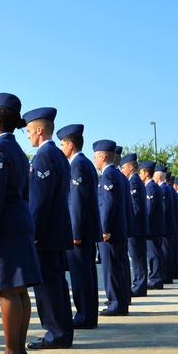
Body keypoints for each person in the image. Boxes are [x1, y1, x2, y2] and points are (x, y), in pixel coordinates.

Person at [0, 93, 42, 354]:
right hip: (20, 222)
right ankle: (19, 351)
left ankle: (11, 352)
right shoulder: (17, 149)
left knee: (7, 291)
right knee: (19, 290)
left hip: (4, 227)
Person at [23, 107, 75, 350]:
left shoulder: (44, 156)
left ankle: (56, 334)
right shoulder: (58, 156)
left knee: (48, 287)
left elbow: (41, 199)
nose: (28, 136)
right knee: (57, 284)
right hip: (57, 230)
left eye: (29, 131)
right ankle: (62, 331)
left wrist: (34, 232)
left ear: (40, 130)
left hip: (47, 233)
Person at [57, 124, 102, 329]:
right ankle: (88, 314)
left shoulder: (78, 165)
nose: (61, 148)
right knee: (86, 275)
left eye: (62, 144)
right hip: (86, 231)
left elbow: (77, 201)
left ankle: (85, 316)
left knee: (81, 277)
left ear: (71, 145)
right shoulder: (84, 164)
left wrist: (74, 232)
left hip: (80, 233)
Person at [93, 139, 131, 316]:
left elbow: (107, 205)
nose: (94, 161)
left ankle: (116, 304)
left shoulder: (108, 175)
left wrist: (104, 228)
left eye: (95, 157)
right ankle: (120, 301)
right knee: (120, 267)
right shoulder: (120, 176)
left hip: (111, 231)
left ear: (102, 157)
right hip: (120, 229)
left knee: (112, 269)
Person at [120, 153, 148, 297]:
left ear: (131, 168)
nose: (122, 171)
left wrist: (131, 225)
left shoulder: (134, 182)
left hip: (136, 227)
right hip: (139, 227)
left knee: (137, 257)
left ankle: (139, 286)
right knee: (139, 257)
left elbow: (135, 207)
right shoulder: (136, 181)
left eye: (124, 168)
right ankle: (140, 284)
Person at [139, 161, 165, 290]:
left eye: (141, 172)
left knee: (153, 254)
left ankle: (156, 279)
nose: (140, 175)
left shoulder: (151, 188)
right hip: (155, 227)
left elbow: (149, 210)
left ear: (146, 173)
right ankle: (156, 278)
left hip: (153, 228)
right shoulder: (153, 187)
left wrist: (144, 226)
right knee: (155, 253)